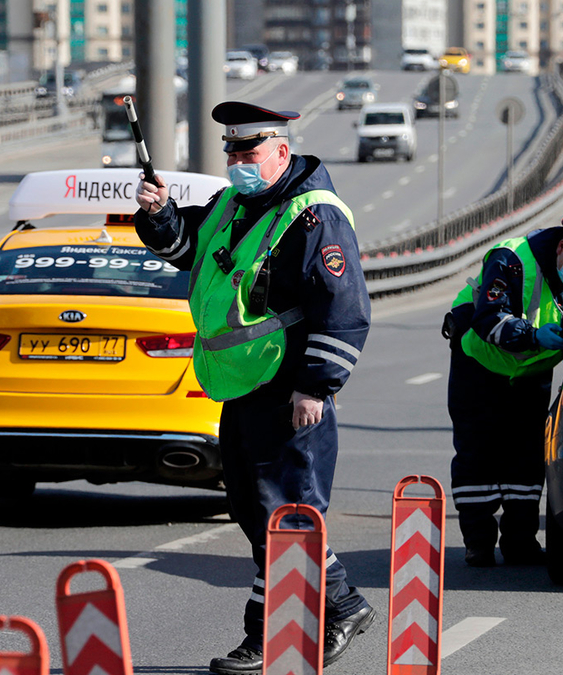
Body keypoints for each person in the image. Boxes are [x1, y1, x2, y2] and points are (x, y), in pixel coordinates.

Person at [133, 101, 375, 675]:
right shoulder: (230, 204)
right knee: (252, 508)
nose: (238, 160)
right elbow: (185, 252)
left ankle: (268, 637)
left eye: (249, 151)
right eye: (233, 151)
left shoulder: (315, 216)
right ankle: (342, 603)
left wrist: (316, 386)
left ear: (281, 152)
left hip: (289, 390)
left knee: (283, 514)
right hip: (240, 385)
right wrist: (162, 213)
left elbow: (344, 309)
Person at [443, 215, 563, 567]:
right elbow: (488, 320)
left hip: (533, 374)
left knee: (525, 458)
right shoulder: (511, 260)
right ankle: (478, 542)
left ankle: (520, 542)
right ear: (561, 247)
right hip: (480, 366)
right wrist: (533, 336)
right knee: (477, 454)